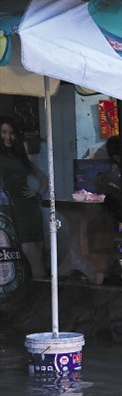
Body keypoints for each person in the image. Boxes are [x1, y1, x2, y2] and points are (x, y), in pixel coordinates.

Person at [0, 115, 48, 278]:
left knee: (36, 258)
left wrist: (39, 195)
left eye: (11, 133)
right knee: (31, 257)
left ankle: (41, 297)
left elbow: (45, 181)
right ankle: (41, 297)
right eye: (4, 132)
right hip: (13, 211)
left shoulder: (20, 157)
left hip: (30, 209)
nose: (8, 137)